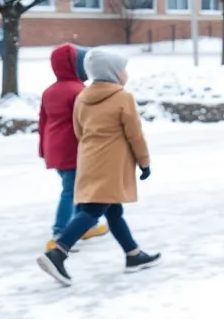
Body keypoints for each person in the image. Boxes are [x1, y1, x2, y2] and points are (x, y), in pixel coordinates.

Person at [36, 49, 160, 286]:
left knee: (113, 212)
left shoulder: (83, 96)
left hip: (89, 159)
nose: (126, 73)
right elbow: (135, 135)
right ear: (114, 73)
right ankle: (58, 253)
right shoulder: (123, 98)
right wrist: (144, 162)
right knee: (92, 211)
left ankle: (133, 254)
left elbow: (78, 129)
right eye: (123, 69)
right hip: (112, 164)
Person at [38, 43, 109, 249]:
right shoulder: (79, 91)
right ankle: (60, 231)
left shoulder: (49, 92)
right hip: (73, 148)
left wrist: (43, 150)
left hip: (54, 148)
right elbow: (89, 122)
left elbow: (43, 122)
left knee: (77, 188)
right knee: (71, 190)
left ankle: (84, 226)